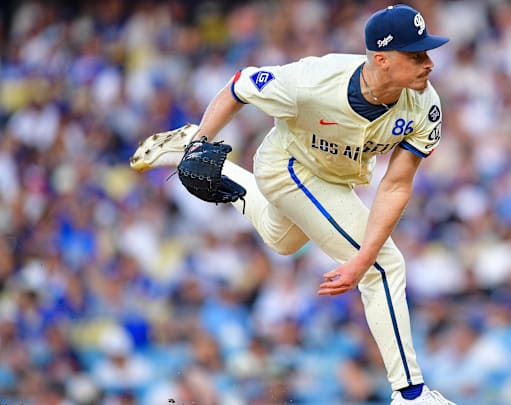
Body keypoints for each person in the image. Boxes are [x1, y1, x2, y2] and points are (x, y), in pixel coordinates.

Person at [130, 4, 454, 404]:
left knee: (282, 241)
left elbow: (396, 186)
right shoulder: (313, 80)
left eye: (427, 52)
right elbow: (239, 86)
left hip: (333, 178)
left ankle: (225, 176)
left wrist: (359, 257)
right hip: (288, 166)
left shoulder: (425, 104)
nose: (428, 63)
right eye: (416, 55)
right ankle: (411, 395)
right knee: (385, 266)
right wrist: (203, 140)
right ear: (382, 60)